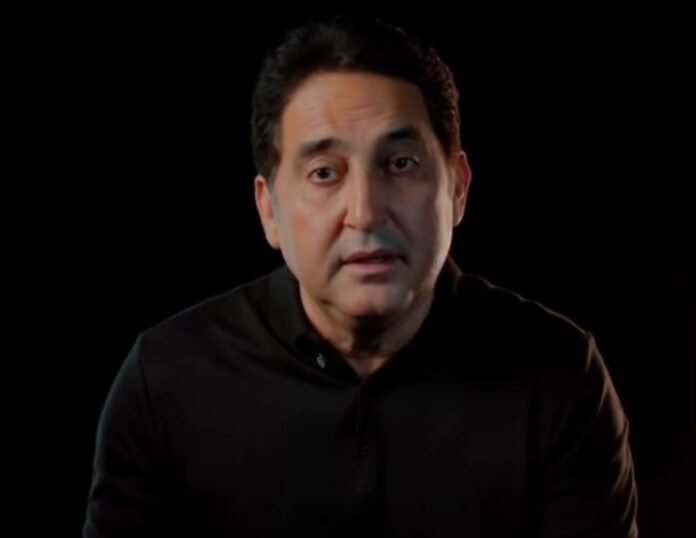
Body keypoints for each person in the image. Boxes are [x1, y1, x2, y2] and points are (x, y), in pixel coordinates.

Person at [83, 15, 639, 537]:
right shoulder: (166, 380)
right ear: (269, 209)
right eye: (325, 173)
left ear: (458, 188)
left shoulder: (560, 376)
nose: (366, 212)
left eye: (400, 164)